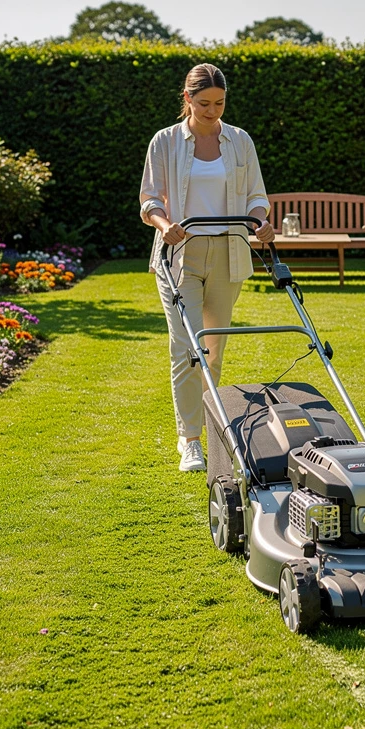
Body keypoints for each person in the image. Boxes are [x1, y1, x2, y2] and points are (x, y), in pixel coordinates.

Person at [140, 62, 275, 472]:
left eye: (219, 103)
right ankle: (190, 441)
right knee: (187, 347)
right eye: (204, 104)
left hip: (229, 252)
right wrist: (165, 226)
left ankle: (211, 424)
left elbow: (256, 195)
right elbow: (150, 201)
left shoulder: (239, 141)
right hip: (180, 254)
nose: (213, 111)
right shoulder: (164, 142)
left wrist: (260, 221)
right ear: (187, 99)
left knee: (212, 350)